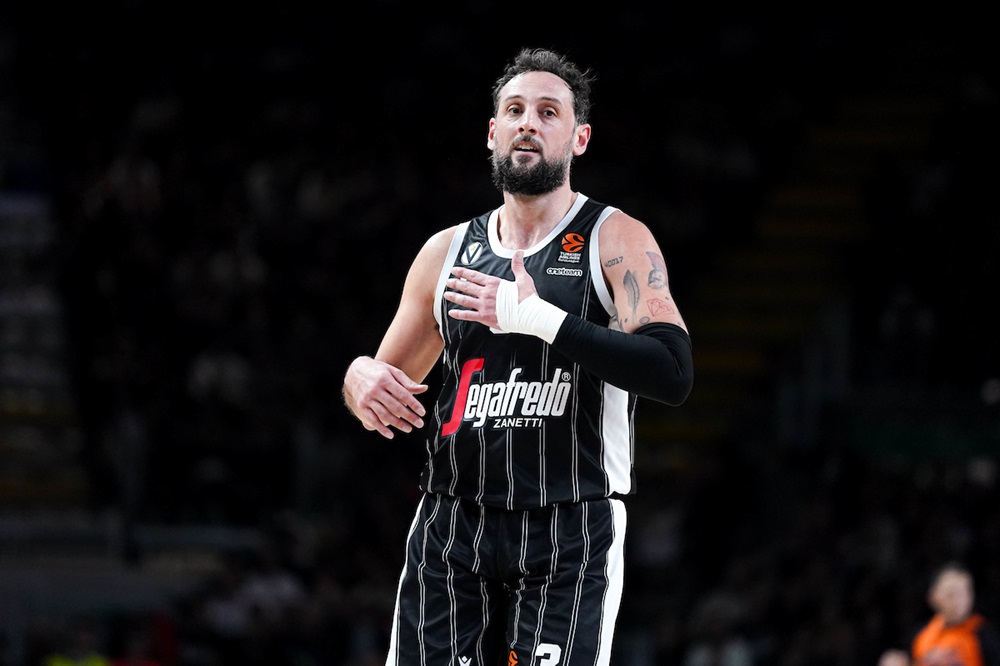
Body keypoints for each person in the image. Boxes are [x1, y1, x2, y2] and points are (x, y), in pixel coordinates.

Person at [342, 46, 694, 666]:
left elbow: (672, 372)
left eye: (548, 111)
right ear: (492, 132)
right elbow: (383, 390)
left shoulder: (614, 237)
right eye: (515, 110)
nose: (529, 122)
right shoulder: (446, 252)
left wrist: (537, 319)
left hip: (570, 525)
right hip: (453, 521)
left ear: (579, 138)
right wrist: (358, 377)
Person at [879, 562, 1000, 666]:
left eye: (965, 592)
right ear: (933, 598)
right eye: (950, 594)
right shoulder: (921, 635)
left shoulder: (983, 633)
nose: (958, 601)